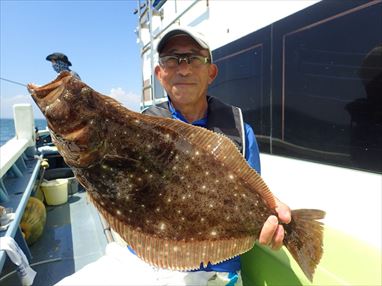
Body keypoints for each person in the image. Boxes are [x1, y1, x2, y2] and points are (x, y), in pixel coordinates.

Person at [139, 27, 291, 285]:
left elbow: (251, 193)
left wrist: (271, 213)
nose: (183, 69)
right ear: (160, 74)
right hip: (148, 263)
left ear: (211, 72)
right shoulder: (140, 128)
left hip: (218, 271)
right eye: (172, 59)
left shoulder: (241, 131)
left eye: (194, 59)